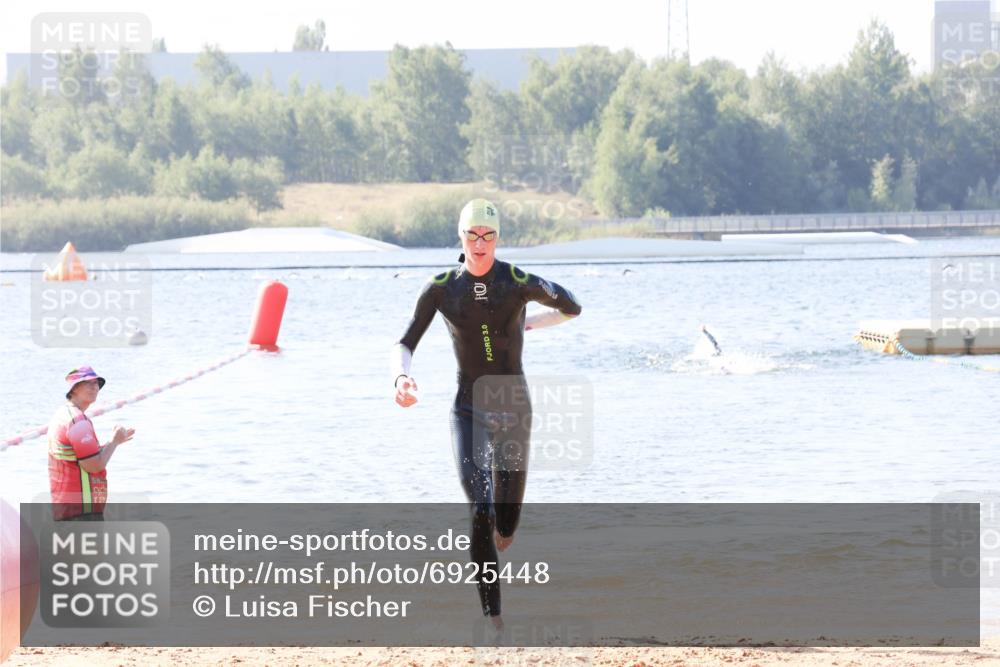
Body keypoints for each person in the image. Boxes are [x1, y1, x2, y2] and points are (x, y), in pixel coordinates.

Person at [390, 199, 582, 628]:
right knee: (480, 508)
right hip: (468, 408)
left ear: (498, 238)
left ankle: (506, 525)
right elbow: (404, 343)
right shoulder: (441, 287)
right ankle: (494, 618)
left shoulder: (514, 280)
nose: (480, 243)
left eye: (489, 235)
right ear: (460, 236)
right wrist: (401, 379)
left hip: (513, 408)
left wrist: (531, 323)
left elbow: (572, 307)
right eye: (472, 235)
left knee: (506, 522)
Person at [47, 366, 135, 521]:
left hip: (66, 511)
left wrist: (113, 442)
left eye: (96, 383)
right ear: (73, 389)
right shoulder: (77, 421)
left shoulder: (62, 414)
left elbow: (79, 456)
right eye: (88, 382)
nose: (94, 387)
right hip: (81, 514)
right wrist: (114, 442)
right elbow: (94, 465)